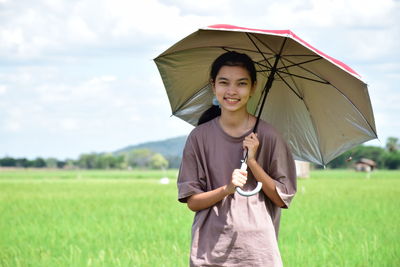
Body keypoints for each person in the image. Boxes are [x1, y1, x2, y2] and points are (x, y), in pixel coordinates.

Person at [177, 51, 297, 267]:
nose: (232, 91)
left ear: (253, 87)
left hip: (259, 254)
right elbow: (192, 202)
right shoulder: (199, 137)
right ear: (214, 86)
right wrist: (227, 189)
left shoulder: (269, 136)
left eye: (241, 83)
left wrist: (253, 162)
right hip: (210, 253)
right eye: (224, 82)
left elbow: (282, 198)